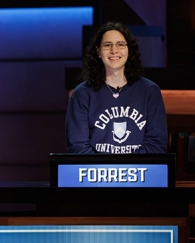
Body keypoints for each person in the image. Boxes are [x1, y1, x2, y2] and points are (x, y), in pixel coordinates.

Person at [65, 22, 167, 154]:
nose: (114, 50)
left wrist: (126, 169)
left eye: (120, 44)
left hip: (138, 172)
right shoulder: (82, 94)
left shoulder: (150, 91)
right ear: (98, 52)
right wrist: (108, 171)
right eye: (107, 45)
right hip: (97, 173)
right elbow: (77, 147)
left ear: (128, 50)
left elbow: (157, 144)